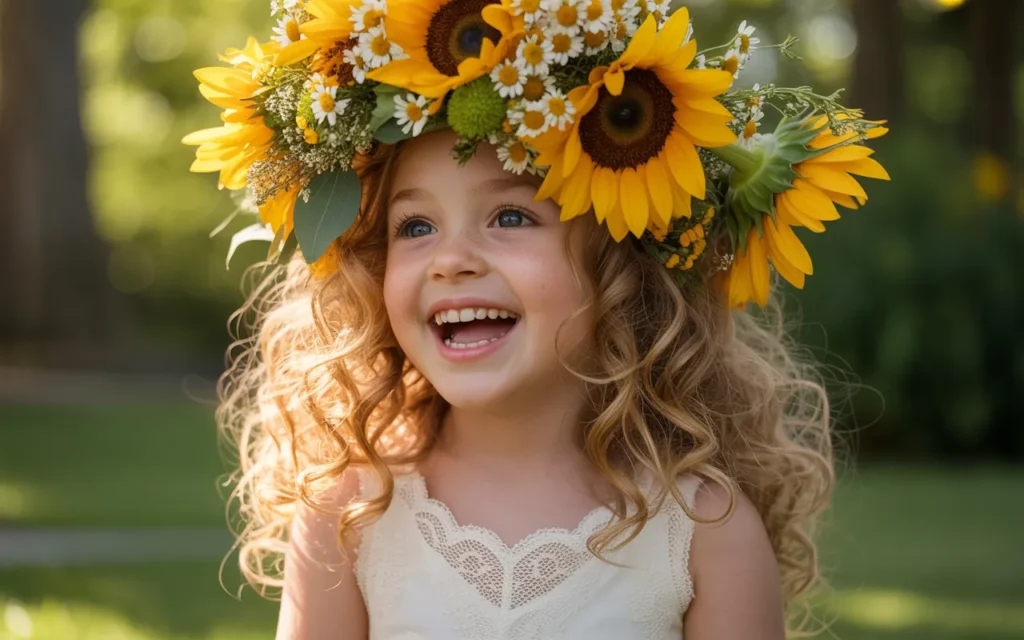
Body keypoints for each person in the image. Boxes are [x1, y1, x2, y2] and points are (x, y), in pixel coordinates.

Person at [186, 1, 891, 638]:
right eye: (416, 226)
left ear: (619, 264)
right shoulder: (349, 517)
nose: (451, 260)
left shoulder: (704, 530)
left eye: (511, 216)